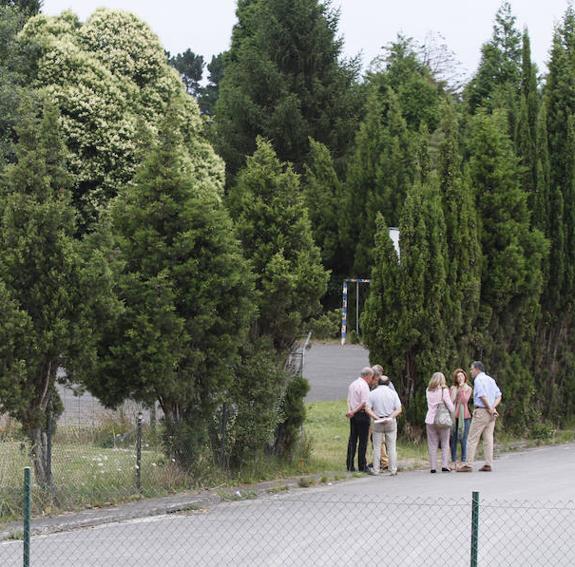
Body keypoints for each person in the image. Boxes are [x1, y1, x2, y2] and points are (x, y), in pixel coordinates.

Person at [458, 361, 502, 473]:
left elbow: (481, 395)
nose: (471, 371)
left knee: (472, 438)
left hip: (482, 411)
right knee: (488, 438)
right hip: (491, 412)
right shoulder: (491, 380)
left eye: (472, 369)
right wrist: (493, 407)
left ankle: (468, 464)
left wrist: (488, 407)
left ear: (477, 369)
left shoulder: (478, 380)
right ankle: (488, 463)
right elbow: (499, 395)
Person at [365, 375, 402, 476]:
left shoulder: (372, 394)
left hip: (377, 422)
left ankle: (376, 469)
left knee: (377, 447)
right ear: (388, 383)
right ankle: (393, 469)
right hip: (390, 422)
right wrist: (390, 417)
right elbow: (399, 409)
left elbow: (367, 408)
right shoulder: (393, 394)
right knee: (391, 446)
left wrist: (376, 417)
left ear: (378, 382)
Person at [425, 372, 455, 473]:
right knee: (445, 442)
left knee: (432, 443)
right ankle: (444, 465)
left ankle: (433, 467)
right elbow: (450, 406)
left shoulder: (428, 390)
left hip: (430, 419)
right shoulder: (444, 390)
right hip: (442, 419)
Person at [346, 367, 375, 472]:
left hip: (353, 415)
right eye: (371, 377)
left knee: (352, 440)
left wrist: (350, 411)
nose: (371, 379)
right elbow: (364, 403)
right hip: (362, 414)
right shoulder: (364, 386)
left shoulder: (353, 384)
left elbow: (348, 400)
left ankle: (349, 464)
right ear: (367, 376)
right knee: (363, 441)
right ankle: (362, 465)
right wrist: (354, 411)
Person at [449, 368, 472, 467]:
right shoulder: (453, 388)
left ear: (465, 377)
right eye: (458, 376)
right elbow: (451, 401)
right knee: (453, 439)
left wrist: (462, 389)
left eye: (461, 376)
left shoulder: (468, 388)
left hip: (465, 417)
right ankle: (453, 461)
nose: (460, 378)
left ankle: (463, 461)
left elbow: (464, 401)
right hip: (454, 416)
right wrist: (455, 391)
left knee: (463, 439)